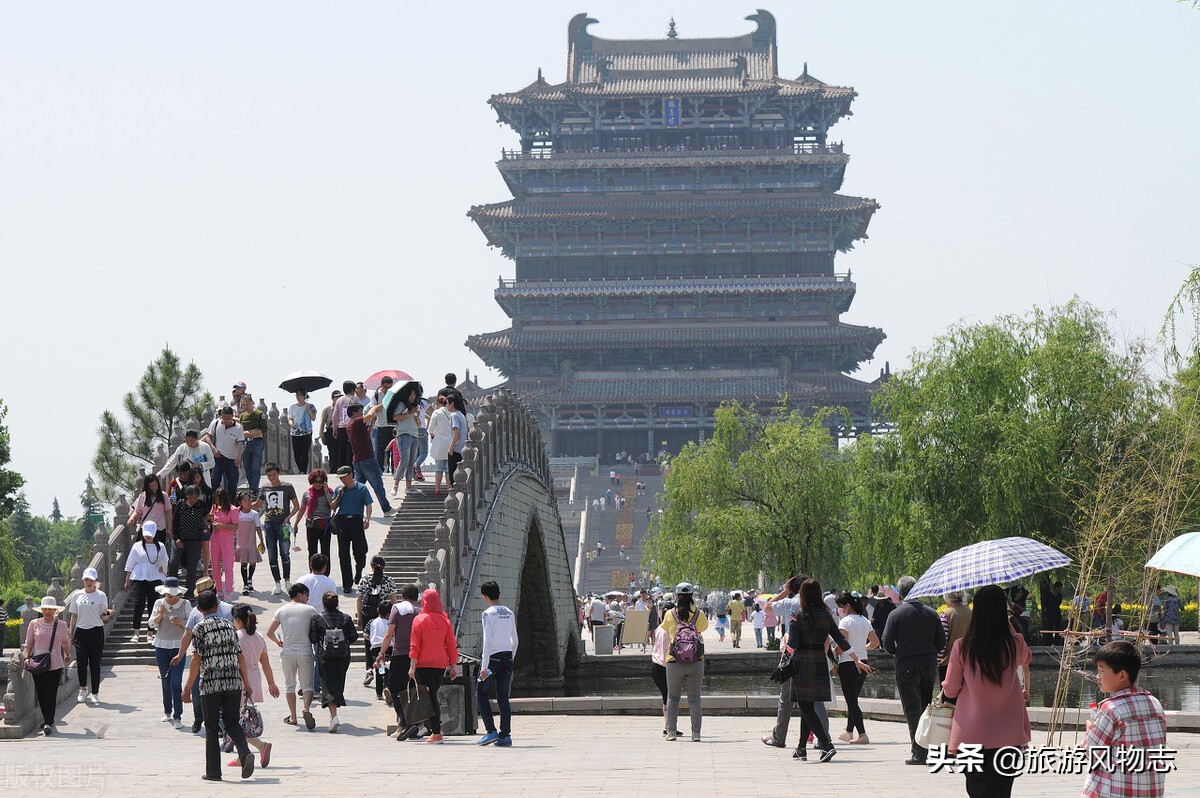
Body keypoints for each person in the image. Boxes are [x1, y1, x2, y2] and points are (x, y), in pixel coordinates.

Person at [940, 584, 1031, 798]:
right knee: (1002, 791)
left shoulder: (962, 647)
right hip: (1008, 734)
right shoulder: (1013, 645)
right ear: (1003, 611)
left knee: (977, 790)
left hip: (972, 734)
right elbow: (1026, 658)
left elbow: (951, 690)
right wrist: (1010, 625)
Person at [787, 579, 870, 763]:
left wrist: (784, 654)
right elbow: (840, 638)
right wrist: (856, 659)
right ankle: (801, 748)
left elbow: (792, 644)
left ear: (802, 594)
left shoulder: (797, 614)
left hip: (802, 661)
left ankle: (826, 745)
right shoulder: (826, 614)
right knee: (807, 705)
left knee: (806, 706)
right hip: (819, 660)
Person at [183, 591, 256, 781]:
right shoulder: (229, 626)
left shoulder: (199, 628)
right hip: (233, 681)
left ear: (199, 609)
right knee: (232, 722)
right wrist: (246, 684)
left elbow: (196, 660)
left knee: (212, 728)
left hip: (210, 684)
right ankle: (245, 750)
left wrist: (187, 687)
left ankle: (214, 772)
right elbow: (240, 656)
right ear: (217, 606)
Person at [1082, 640, 1168, 798]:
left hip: (1116, 791)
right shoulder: (1155, 703)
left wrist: (1090, 730)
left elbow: (1091, 753)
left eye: (1102, 671)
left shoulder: (1111, 709)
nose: (1097, 676)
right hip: (1151, 791)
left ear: (1122, 675)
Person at [881, 575, 946, 766]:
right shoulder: (931, 613)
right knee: (927, 709)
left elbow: (886, 642)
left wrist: (896, 652)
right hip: (928, 666)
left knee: (912, 710)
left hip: (906, 665)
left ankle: (919, 753)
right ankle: (927, 749)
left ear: (900, 593)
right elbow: (941, 642)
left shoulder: (896, 614)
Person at [230, 604, 279, 769]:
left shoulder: (236, 636)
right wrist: (271, 683)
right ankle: (241, 755)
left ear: (237, 620)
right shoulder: (258, 636)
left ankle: (260, 746)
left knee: (235, 721)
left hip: (241, 679)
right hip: (255, 677)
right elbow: (265, 663)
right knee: (241, 718)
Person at [658, 582, 709, 742]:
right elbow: (704, 628)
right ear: (692, 596)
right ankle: (696, 734)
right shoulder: (698, 614)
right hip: (696, 661)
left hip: (674, 661)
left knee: (673, 697)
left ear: (677, 596)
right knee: (695, 698)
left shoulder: (670, 614)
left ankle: (671, 732)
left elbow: (665, 629)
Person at [408, 588, 459, 744]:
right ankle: (435, 729)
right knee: (432, 697)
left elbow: (415, 645)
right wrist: (453, 665)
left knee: (430, 699)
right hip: (441, 664)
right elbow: (451, 644)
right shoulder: (445, 620)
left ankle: (436, 732)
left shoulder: (419, 619)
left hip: (424, 664)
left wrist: (412, 666)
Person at [267, 582, 319, 731]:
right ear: (299, 594)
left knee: (290, 685)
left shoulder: (281, 610)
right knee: (307, 685)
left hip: (288, 652)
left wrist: (278, 642)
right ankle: (306, 709)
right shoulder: (310, 610)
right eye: (306, 595)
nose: (308, 599)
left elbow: (270, 632)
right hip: (305, 652)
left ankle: (293, 717)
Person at [475, 580, 518, 746]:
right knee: (503, 697)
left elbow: (487, 641)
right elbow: (515, 639)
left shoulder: (488, 614)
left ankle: (491, 731)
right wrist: (511, 657)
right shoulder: (509, 612)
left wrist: (484, 667)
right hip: (507, 656)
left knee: (481, 693)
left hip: (493, 658)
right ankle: (505, 735)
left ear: (485, 596)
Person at [375, 583, 421, 739]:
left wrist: (381, 653)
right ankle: (412, 724)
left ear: (402, 596)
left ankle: (405, 722)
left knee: (395, 689)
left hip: (400, 654)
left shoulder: (396, 609)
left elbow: (389, 634)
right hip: (416, 657)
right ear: (417, 597)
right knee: (413, 690)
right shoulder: (419, 611)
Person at [834, 591, 880, 745]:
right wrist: (861, 649)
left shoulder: (845, 621)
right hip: (863, 661)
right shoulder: (865, 620)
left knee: (851, 701)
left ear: (848, 606)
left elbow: (842, 645)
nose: (840, 610)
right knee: (852, 699)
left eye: (841, 607)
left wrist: (834, 654)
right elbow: (875, 643)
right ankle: (848, 731)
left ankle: (862, 734)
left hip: (848, 663)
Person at [762, 576, 803, 748]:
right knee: (814, 700)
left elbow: (767, 606)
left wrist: (786, 591)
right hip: (813, 656)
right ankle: (821, 738)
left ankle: (779, 737)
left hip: (791, 654)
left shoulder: (788, 603)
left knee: (785, 698)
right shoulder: (818, 604)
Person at [23, 595, 72, 735]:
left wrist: (67, 654)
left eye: (51, 609)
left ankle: (48, 722)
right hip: (38, 664)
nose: (48, 612)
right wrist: (26, 657)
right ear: (41, 610)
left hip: (55, 664)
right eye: (45, 609)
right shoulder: (34, 623)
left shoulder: (61, 625)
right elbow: (29, 643)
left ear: (55, 611)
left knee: (51, 693)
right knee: (41, 693)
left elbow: (65, 642)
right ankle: (47, 719)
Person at [310, 590, 357, 732]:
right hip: (343, 656)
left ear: (323, 604)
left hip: (325, 657)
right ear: (337, 604)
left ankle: (334, 716)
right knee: (338, 682)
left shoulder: (317, 619)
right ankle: (334, 714)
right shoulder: (346, 618)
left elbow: (312, 638)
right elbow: (353, 637)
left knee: (328, 686)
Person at [67, 567, 115, 706]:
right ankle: (83, 688)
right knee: (81, 663)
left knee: (95, 663)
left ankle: (95, 692)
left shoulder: (100, 595)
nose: (89, 582)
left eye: (91, 580)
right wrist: (71, 632)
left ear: (95, 581)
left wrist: (107, 615)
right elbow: (74, 615)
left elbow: (102, 617)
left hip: (96, 631)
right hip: (81, 632)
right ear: (83, 580)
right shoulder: (77, 595)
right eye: (86, 579)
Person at [150, 577, 191, 727]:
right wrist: (160, 614)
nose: (169, 597)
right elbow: (151, 624)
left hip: (178, 647)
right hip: (161, 646)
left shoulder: (185, 604)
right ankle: (167, 710)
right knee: (165, 681)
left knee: (175, 682)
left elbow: (192, 624)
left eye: (172, 595)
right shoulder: (159, 603)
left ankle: (178, 715)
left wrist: (180, 622)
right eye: (167, 595)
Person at [256, 463, 301, 595]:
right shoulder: (265, 487)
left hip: (284, 525)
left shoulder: (287, 487)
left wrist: (289, 518)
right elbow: (258, 504)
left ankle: (287, 580)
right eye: (269, 475)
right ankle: (277, 582)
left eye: (274, 475)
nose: (272, 478)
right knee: (272, 555)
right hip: (269, 524)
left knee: (285, 553)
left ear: (278, 473)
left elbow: (296, 506)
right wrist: (243, 506)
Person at [330, 465, 373, 594]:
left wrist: (368, 518)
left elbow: (368, 504)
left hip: (356, 521)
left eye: (344, 477)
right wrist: (339, 495)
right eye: (340, 478)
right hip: (342, 521)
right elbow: (332, 506)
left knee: (360, 551)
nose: (342, 480)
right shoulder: (339, 489)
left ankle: (359, 570)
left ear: (350, 474)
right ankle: (347, 584)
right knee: (343, 553)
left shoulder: (362, 488)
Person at [124, 521, 169, 642]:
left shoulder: (161, 546)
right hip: (139, 577)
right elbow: (130, 563)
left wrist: (162, 567)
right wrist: (127, 580)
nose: (148, 537)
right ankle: (136, 633)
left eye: (150, 534)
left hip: (155, 578)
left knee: (153, 605)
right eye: (146, 534)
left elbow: (165, 562)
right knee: (138, 604)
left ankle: (150, 633)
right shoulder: (137, 546)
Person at [346, 403, 394, 514]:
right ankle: (386, 508)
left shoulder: (351, 425)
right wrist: (375, 408)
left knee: (357, 488)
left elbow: (366, 435)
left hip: (358, 460)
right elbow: (369, 415)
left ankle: (353, 510)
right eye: (360, 411)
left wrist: (372, 424)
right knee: (377, 484)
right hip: (366, 459)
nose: (362, 413)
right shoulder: (356, 422)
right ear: (354, 413)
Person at [357, 556, 397, 684]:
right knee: (385, 643)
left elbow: (359, 599)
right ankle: (384, 669)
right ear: (383, 567)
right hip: (384, 616)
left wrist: (359, 616)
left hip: (368, 615)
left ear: (371, 566)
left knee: (368, 644)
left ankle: (369, 670)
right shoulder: (389, 580)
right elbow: (394, 601)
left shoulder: (365, 579)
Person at [170, 485, 209, 599]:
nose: (192, 500)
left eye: (195, 497)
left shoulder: (201, 505)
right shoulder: (180, 505)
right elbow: (175, 523)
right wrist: (177, 538)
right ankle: (172, 590)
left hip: (195, 541)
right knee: (174, 563)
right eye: (190, 497)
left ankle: (189, 593)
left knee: (192, 567)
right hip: (180, 539)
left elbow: (205, 517)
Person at [386, 381, 424, 496]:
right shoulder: (402, 405)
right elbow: (395, 417)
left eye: (415, 395)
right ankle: (396, 485)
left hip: (414, 435)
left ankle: (409, 486)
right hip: (404, 434)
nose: (413, 397)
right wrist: (409, 413)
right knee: (404, 460)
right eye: (411, 394)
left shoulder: (414, 407)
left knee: (411, 461)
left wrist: (417, 417)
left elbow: (418, 424)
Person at [203, 406, 245, 498]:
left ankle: (231, 506)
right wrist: (213, 449)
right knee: (214, 482)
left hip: (231, 460)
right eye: (224, 418)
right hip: (218, 458)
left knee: (232, 483)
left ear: (232, 417)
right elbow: (208, 437)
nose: (226, 421)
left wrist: (238, 457)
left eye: (228, 419)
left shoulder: (238, 428)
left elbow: (239, 443)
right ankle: (213, 504)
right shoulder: (216, 423)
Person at [650, 600, 675, 737]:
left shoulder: (659, 628)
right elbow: (668, 651)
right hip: (665, 666)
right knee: (670, 697)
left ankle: (669, 725)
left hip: (655, 665)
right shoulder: (669, 630)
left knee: (666, 697)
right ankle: (668, 727)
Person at [209, 487, 238, 601]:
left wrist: (221, 525)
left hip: (227, 539)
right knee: (215, 565)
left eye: (218, 499)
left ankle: (228, 591)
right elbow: (211, 518)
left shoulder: (233, 509)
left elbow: (235, 526)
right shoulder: (215, 508)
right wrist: (211, 521)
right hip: (215, 538)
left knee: (228, 566)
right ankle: (219, 590)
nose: (216, 502)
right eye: (215, 499)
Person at [234, 491, 265, 595]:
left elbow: (258, 527)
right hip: (241, 543)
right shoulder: (237, 513)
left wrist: (261, 540)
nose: (247, 502)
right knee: (243, 563)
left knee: (252, 562)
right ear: (240, 502)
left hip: (251, 542)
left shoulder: (254, 514)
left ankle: (250, 579)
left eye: (249, 500)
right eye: (244, 500)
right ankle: (245, 584)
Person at [938, 591, 972, 682]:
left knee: (948, 695)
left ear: (947, 597)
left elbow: (941, 642)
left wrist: (936, 662)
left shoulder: (945, 614)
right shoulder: (972, 613)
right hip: (970, 661)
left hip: (949, 664)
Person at [129, 473, 173, 544]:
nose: (154, 488)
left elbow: (169, 512)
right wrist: (132, 517)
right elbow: (137, 511)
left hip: (159, 529)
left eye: (155, 485)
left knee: (158, 552)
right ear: (147, 486)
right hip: (146, 529)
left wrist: (170, 529)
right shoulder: (142, 496)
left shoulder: (163, 496)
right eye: (151, 486)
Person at [303, 468, 334, 560]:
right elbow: (302, 509)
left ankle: (326, 572)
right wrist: (296, 523)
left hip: (325, 525)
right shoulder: (307, 493)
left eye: (320, 481)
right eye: (315, 481)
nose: (318, 484)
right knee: (312, 550)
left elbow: (332, 505)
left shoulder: (329, 491)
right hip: (311, 524)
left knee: (325, 551)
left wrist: (326, 491)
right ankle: (313, 572)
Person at [426, 395, 454, 496]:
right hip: (450, 444)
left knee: (438, 468)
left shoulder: (436, 413)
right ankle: (449, 489)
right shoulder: (452, 413)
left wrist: (433, 434)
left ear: (438, 403)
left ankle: (437, 489)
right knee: (448, 469)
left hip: (439, 444)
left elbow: (430, 428)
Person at [365, 600, 391, 701]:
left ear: (377, 610)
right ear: (389, 613)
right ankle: (387, 687)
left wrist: (372, 638)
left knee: (379, 669)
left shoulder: (372, 622)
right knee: (388, 667)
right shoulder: (390, 622)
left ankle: (379, 693)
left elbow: (365, 635)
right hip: (388, 647)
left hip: (376, 648)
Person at [287, 391, 317, 474]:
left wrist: (308, 409)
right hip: (295, 433)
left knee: (304, 452)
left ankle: (303, 470)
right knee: (296, 453)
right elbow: (290, 418)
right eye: (297, 395)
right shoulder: (292, 407)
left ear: (305, 396)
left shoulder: (310, 406)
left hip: (306, 432)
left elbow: (313, 418)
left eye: (300, 395)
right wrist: (292, 425)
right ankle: (301, 469)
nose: (298, 397)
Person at [370, 376, 396, 473]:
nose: (388, 389)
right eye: (386, 387)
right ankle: (379, 470)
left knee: (394, 449)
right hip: (381, 425)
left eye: (390, 387)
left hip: (394, 425)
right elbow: (373, 408)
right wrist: (384, 402)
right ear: (381, 385)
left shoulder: (394, 394)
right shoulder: (376, 395)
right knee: (380, 449)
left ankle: (394, 468)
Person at [446, 393, 469, 485]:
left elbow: (456, 432)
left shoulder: (454, 415)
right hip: (463, 449)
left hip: (456, 449)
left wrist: (451, 448)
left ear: (452, 404)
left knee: (453, 477)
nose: (446, 405)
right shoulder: (462, 415)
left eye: (447, 403)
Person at [1040, 579, 1064, 646]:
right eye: (1060, 588)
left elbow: (1059, 603)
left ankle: (1057, 642)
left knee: (1058, 628)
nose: (1060, 589)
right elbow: (1045, 604)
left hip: (1057, 612)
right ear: (1056, 587)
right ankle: (1048, 642)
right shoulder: (1049, 594)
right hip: (1050, 613)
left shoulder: (1060, 595)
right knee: (1049, 627)